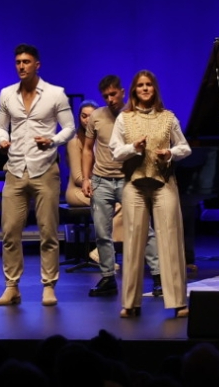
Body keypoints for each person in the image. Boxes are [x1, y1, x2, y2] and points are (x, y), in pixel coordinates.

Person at [0, 43, 75, 307]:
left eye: (26, 61)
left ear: (37, 64)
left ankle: (49, 286)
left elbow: (70, 128)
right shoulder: (7, 94)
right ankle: (12, 286)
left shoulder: (55, 94)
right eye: (18, 61)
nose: (21, 66)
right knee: (10, 231)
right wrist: (3, 139)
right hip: (15, 169)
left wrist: (51, 140)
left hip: (44, 169)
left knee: (48, 231)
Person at [111, 70, 191, 319]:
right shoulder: (125, 119)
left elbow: (185, 147)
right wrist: (133, 148)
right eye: (140, 85)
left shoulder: (168, 118)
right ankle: (130, 302)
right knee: (134, 243)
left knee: (170, 240)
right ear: (134, 90)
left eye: (149, 85)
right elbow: (115, 151)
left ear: (154, 89)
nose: (145, 89)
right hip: (135, 184)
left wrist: (170, 153)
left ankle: (177, 301)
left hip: (163, 183)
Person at [82, 75, 159, 297]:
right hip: (101, 180)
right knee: (102, 232)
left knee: (144, 228)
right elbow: (88, 149)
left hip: (128, 179)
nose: (110, 99)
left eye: (113, 94)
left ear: (123, 92)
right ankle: (107, 278)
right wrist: (87, 178)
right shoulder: (97, 116)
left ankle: (158, 276)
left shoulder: (133, 115)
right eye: (105, 96)